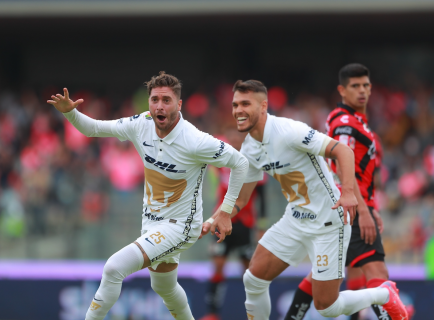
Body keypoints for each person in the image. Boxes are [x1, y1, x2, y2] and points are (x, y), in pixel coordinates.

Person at [47, 71, 249, 320]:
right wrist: (70, 112)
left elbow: (240, 163)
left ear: (179, 104)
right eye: (155, 100)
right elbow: (94, 129)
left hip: (180, 227)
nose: (159, 106)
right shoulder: (141, 124)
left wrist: (225, 211)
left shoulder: (196, 141)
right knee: (163, 286)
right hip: (152, 224)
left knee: (113, 268)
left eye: (166, 100)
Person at [201, 79, 408, 320]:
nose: (238, 110)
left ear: (263, 106)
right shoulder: (250, 148)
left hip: (328, 223)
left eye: (245, 104)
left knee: (326, 307)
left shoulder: (290, 131)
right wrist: (219, 216)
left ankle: (383, 294)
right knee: (253, 278)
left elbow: (343, 151)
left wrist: (349, 192)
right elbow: (241, 198)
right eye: (235, 104)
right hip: (295, 219)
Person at [283, 63, 413, 320]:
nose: (362, 91)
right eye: (355, 86)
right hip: (350, 209)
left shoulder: (360, 125)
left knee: (331, 273)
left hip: (346, 209)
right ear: (342, 90)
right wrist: (364, 211)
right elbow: (344, 170)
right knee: (378, 275)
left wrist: (371, 208)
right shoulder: (345, 123)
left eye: (365, 85)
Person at [199, 130, 267, 320]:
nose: (236, 142)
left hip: (244, 223)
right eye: (233, 139)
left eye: (239, 139)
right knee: (218, 266)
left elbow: (262, 197)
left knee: (249, 272)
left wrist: (261, 226)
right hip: (221, 220)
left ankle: (254, 312)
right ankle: (212, 314)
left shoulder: (253, 163)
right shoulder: (221, 163)